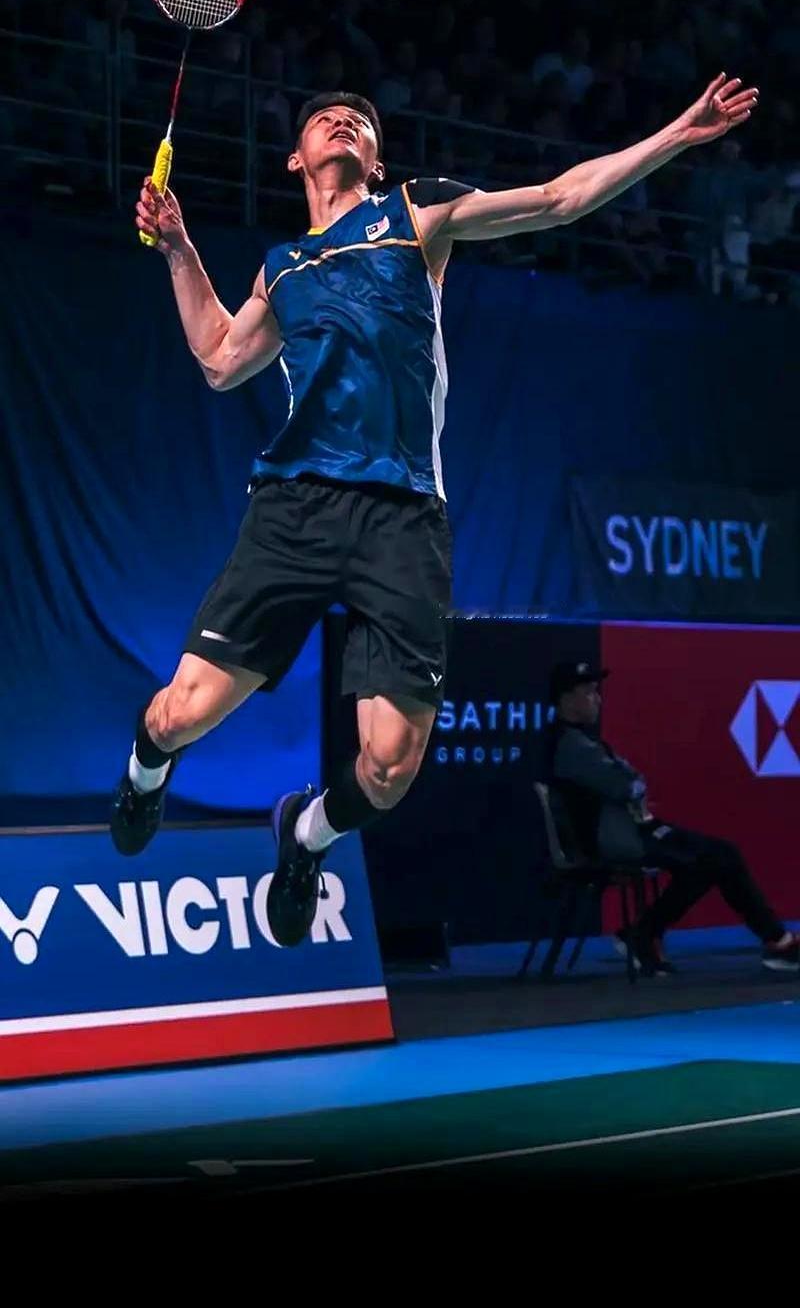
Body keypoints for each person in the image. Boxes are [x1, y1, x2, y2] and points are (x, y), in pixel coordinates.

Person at [110, 74, 758, 949]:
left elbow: (559, 198)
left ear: (376, 160)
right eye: (325, 117)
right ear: (296, 157)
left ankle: (306, 835)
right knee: (180, 713)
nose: (344, 121)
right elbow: (222, 359)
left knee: (387, 766)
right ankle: (145, 771)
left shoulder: (417, 214)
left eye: (360, 120)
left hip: (404, 516)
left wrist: (677, 132)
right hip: (297, 508)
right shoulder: (283, 266)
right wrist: (179, 247)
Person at [543, 659, 799, 974]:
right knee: (718, 857)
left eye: (597, 692)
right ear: (566, 699)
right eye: (589, 692)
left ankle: (644, 933)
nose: (598, 699)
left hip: (631, 831)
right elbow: (627, 784)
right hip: (616, 842)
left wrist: (631, 781)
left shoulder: (581, 741)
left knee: (712, 858)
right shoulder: (571, 745)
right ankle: (777, 941)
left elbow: (628, 781)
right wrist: (631, 780)